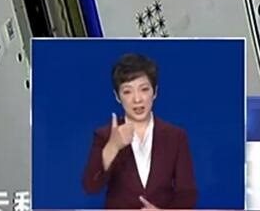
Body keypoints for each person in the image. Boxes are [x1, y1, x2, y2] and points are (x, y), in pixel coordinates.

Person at [82, 54, 196, 209]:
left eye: (144, 89)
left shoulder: (176, 136)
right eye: (127, 92)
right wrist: (113, 147)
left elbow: (187, 193)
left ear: (155, 92)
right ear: (117, 96)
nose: (137, 99)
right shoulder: (104, 135)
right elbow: (90, 186)